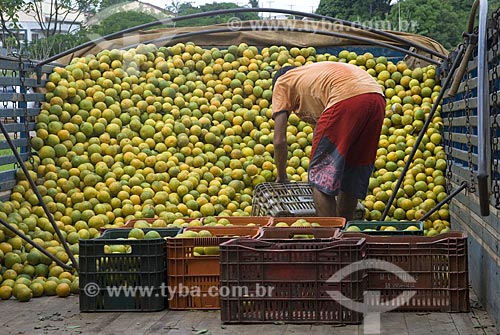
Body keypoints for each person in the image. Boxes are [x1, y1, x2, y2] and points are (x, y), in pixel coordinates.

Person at [271, 61, 385, 221]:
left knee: (321, 175)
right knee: (352, 170)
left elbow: (279, 140)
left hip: (344, 98)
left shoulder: (282, 81)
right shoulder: (311, 76)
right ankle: (344, 232)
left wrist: (282, 176)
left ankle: (330, 237)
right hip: (376, 97)